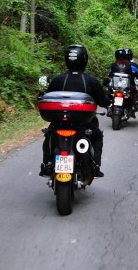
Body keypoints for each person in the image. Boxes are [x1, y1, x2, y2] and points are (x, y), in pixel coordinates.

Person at [40, 44, 110, 178]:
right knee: (97, 136)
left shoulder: (57, 79)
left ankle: (47, 165)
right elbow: (103, 101)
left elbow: (46, 96)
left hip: (59, 123)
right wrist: (108, 100)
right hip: (83, 125)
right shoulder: (90, 80)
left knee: (49, 134)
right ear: (84, 60)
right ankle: (95, 167)